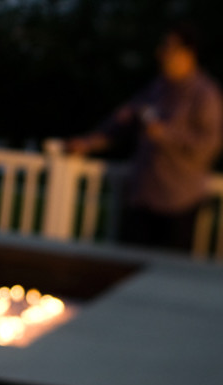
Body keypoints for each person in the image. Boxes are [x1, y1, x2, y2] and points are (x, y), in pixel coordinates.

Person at [66, 21, 223, 252]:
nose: (161, 53)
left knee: (165, 276)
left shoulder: (205, 94)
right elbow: (123, 121)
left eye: (168, 47)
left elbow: (210, 145)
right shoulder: (157, 88)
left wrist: (165, 133)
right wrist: (89, 142)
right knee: (127, 265)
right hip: (143, 195)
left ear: (188, 53)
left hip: (179, 202)